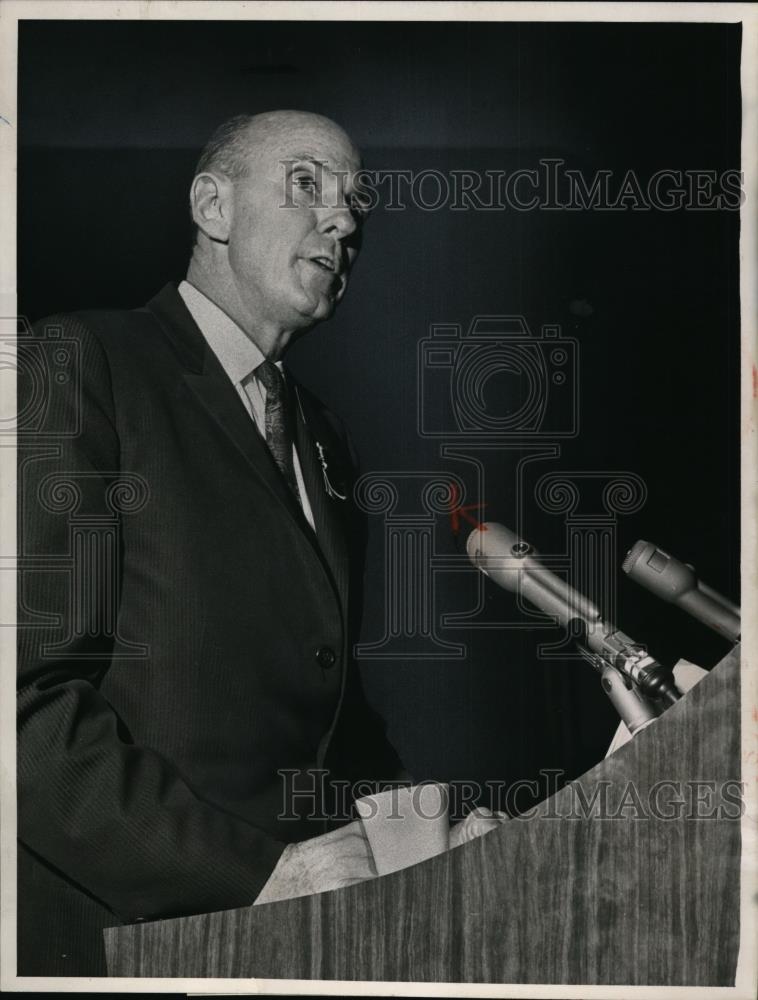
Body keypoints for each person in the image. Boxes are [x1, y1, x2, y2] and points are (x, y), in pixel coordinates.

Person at [16, 110, 502, 977]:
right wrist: (258, 875)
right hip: (119, 945)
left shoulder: (324, 436)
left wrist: (434, 827)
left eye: (357, 203)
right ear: (213, 205)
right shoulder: (81, 361)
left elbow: (325, 717)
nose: (346, 222)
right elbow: (24, 708)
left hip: (284, 946)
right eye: (308, 184)